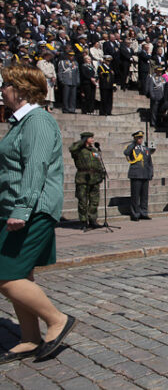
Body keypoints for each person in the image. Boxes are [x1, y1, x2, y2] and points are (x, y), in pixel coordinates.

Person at [0, 65, 77, 364]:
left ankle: (57, 320)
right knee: (20, 275)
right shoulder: (20, 123)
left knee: (5, 276)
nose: (2, 91)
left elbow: (36, 168)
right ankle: (30, 338)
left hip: (32, 209)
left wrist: (21, 209)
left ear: (21, 89)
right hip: (17, 207)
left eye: (6, 85)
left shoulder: (38, 120)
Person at [69, 132, 105, 229]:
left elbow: (98, 163)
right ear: (85, 139)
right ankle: (83, 222)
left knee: (94, 201)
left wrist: (101, 173)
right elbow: (72, 148)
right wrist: (82, 142)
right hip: (83, 178)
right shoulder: (78, 150)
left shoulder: (94, 150)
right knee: (83, 202)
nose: (93, 139)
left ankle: (93, 220)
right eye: (90, 138)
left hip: (95, 178)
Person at [124, 131, 154, 221]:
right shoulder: (132, 147)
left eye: (141, 138)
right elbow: (126, 153)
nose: (140, 139)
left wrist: (150, 173)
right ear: (135, 138)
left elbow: (149, 162)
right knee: (135, 196)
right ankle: (135, 214)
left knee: (144, 196)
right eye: (138, 138)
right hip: (136, 174)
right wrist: (133, 143)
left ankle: (143, 212)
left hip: (145, 174)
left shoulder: (145, 149)